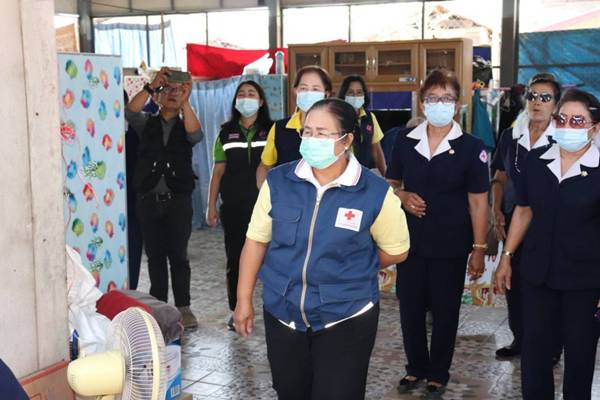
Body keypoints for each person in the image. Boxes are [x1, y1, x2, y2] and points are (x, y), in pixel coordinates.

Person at [235, 98, 410, 400]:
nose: (312, 139)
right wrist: (243, 300)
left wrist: (352, 266)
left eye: (322, 133)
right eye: (307, 131)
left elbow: (397, 250)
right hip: (283, 312)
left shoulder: (374, 192)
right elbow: (256, 241)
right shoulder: (279, 181)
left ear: (347, 140)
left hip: (346, 315)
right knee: (290, 392)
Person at [386, 70, 489, 396]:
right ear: (422, 102)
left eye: (446, 98)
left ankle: (438, 373)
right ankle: (415, 368)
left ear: (457, 105)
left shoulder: (472, 147)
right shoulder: (405, 140)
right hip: (411, 241)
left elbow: (478, 202)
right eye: (432, 98)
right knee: (410, 308)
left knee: (445, 311)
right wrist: (403, 197)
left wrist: (479, 248)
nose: (439, 104)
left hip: (451, 243)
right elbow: (391, 185)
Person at [496, 89, 600, 400]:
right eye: (562, 119)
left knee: (579, 356)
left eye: (577, 121)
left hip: (584, 280)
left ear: (595, 128)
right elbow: (524, 209)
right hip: (537, 273)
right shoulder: (538, 161)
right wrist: (507, 256)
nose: (568, 126)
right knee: (534, 353)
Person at [125, 67, 203, 329]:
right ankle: (159, 306)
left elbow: (196, 135)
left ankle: (183, 307)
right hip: (148, 200)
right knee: (155, 257)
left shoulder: (185, 124)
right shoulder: (146, 123)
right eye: (167, 89)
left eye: (177, 91)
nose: (172, 94)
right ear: (158, 95)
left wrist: (186, 101)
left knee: (178, 256)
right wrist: (150, 86)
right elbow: (130, 112)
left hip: (178, 201)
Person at [490, 73, 561, 360]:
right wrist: (496, 208)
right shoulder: (511, 136)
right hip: (513, 218)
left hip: (548, 223)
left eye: (545, 97)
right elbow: (499, 176)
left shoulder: (562, 138)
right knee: (513, 282)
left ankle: (551, 346)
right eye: (532, 96)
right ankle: (520, 339)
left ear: (556, 105)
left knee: (546, 284)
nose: (537, 102)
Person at [206, 80, 272, 330]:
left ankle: (273, 310)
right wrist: (211, 206)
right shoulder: (225, 132)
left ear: (261, 101)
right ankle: (237, 310)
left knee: (272, 261)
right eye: (241, 94)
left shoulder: (272, 130)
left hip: (267, 208)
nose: (246, 98)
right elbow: (217, 172)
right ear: (235, 102)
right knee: (235, 259)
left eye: (251, 94)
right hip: (234, 206)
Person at [256, 66, 332, 188]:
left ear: (326, 94)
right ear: (295, 91)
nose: (309, 93)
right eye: (303, 88)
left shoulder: (336, 129)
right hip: (286, 197)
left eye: (315, 89)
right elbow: (265, 166)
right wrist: (266, 193)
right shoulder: (279, 128)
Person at [337, 75, 387, 175]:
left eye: (359, 92)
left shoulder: (370, 117)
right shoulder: (336, 118)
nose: (355, 96)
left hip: (365, 174)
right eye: (351, 92)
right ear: (344, 95)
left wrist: (386, 178)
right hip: (342, 174)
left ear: (364, 95)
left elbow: (377, 151)